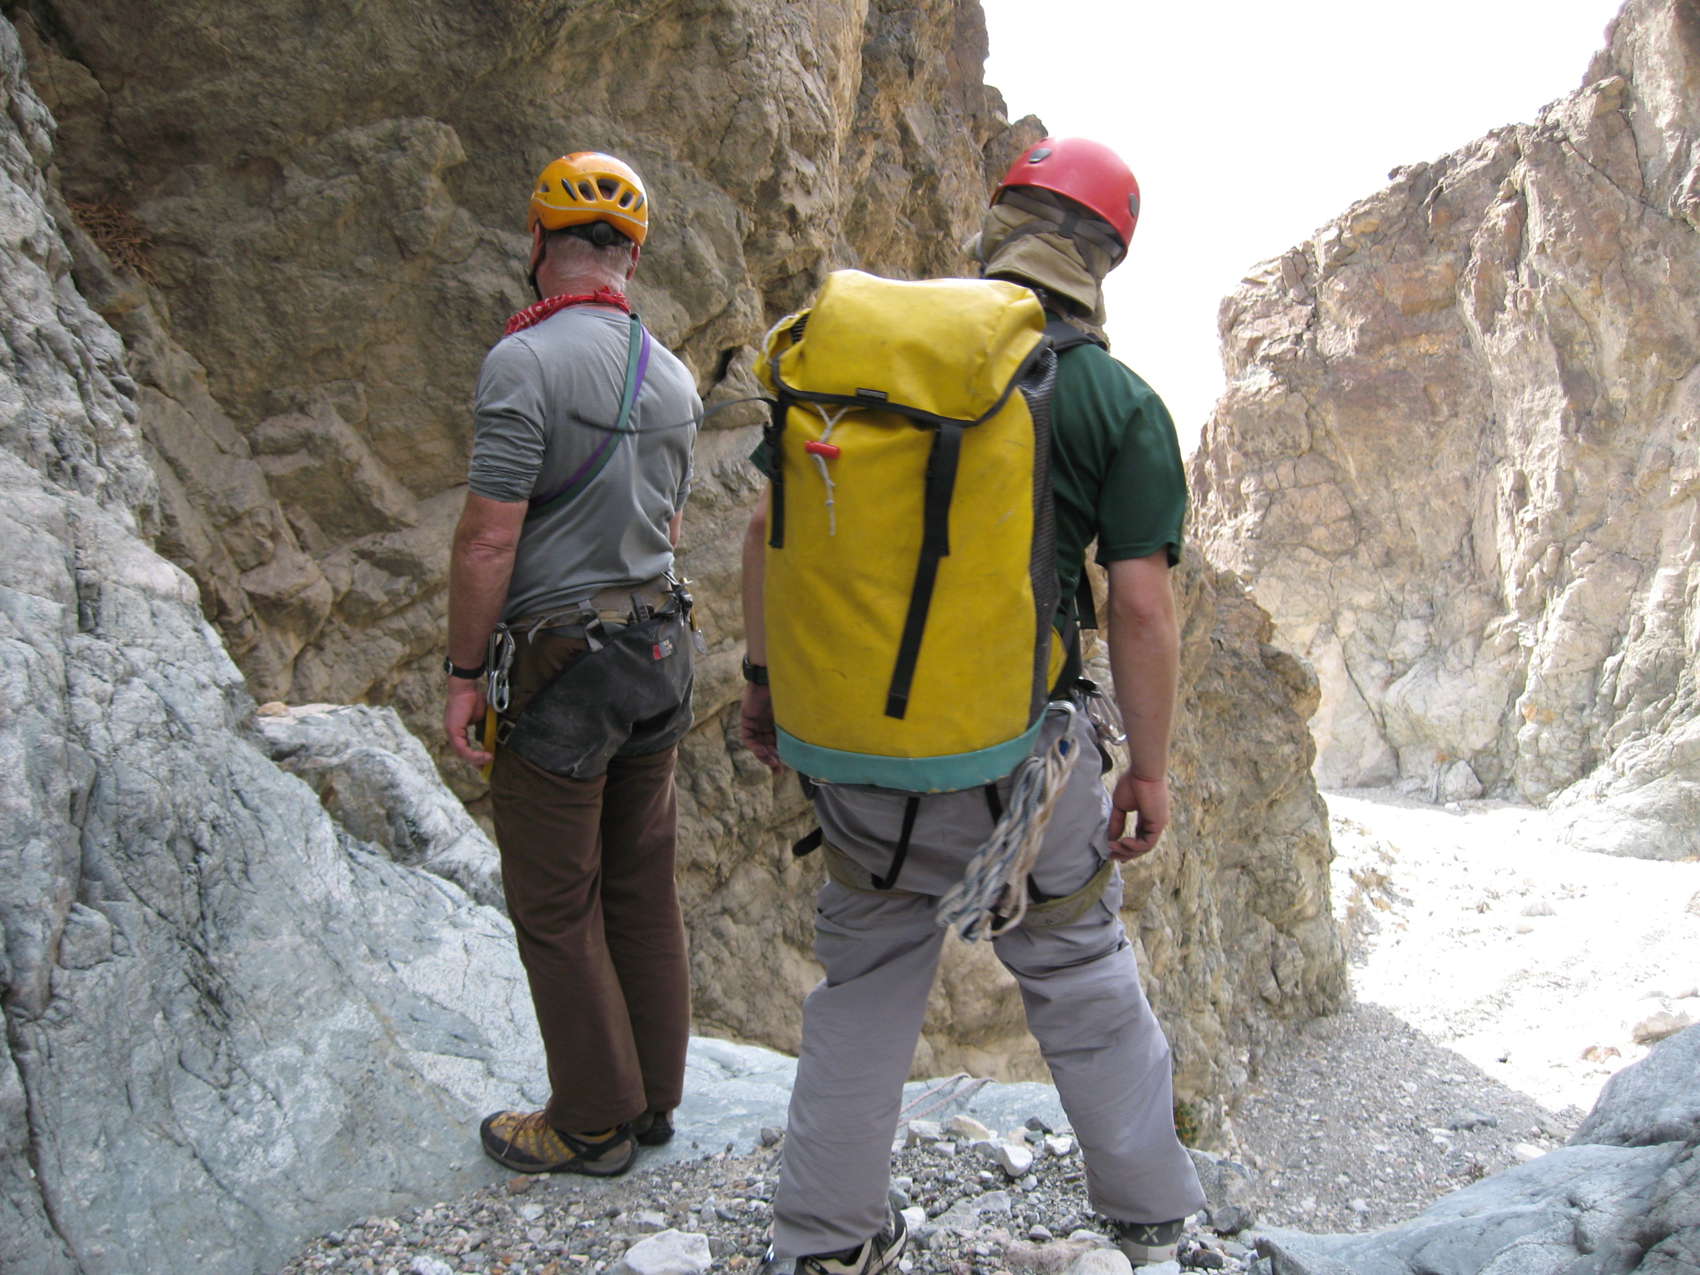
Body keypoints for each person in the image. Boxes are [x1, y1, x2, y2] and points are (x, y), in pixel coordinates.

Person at [739, 136, 1205, 1272]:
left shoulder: (862, 368)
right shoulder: (1113, 400)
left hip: (851, 752)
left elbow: (764, 532)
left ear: (994, 226)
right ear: (1105, 258)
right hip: (1020, 769)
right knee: (1076, 960)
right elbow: (1140, 608)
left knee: (865, 977)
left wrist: (765, 687)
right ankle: (1149, 1214)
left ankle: (823, 1242)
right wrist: (1147, 768)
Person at [444, 150, 702, 1178]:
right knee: (641, 880)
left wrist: (465, 673)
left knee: (556, 900)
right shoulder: (673, 374)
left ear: (538, 239)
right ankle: (653, 1099)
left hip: (563, 665)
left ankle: (591, 1122)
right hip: (660, 651)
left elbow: (486, 541)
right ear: (631, 256)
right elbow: (668, 526)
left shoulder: (524, 361)